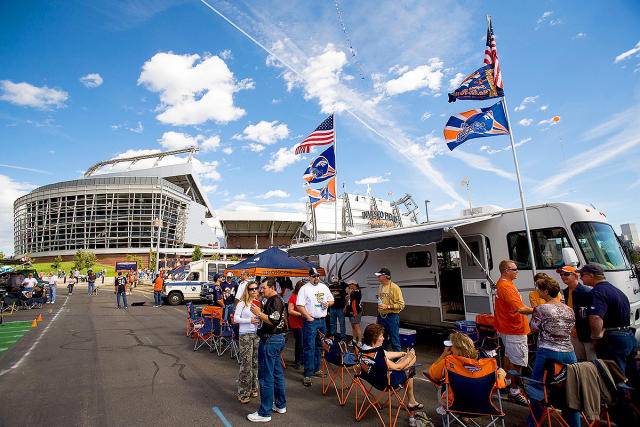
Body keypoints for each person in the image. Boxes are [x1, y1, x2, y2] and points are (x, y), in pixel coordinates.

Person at [526, 276, 579, 427]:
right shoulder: (569, 310)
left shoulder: (541, 309)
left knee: (538, 388)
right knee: (571, 390)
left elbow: (534, 329)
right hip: (568, 351)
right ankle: (574, 423)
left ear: (546, 291)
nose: (537, 291)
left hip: (547, 350)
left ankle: (534, 422)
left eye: (539, 289)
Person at [582, 264, 639, 390]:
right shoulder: (616, 290)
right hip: (628, 335)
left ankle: (622, 408)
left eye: (582, 275)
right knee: (632, 377)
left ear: (591, 275)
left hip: (613, 339)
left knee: (615, 379)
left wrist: (596, 335)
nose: (581, 279)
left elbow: (596, 317)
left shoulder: (597, 292)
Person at [428, 332, 505, 414]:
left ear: (459, 348)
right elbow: (501, 379)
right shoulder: (486, 365)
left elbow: (432, 375)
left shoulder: (448, 362)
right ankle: (464, 417)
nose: (449, 348)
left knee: (442, 385)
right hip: (482, 407)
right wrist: (500, 377)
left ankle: (458, 414)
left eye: (451, 346)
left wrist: (443, 355)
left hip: (454, 406)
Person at [247, 278, 287, 423]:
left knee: (265, 377)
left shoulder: (275, 300)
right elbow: (272, 315)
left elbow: (274, 320)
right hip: (276, 340)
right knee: (276, 374)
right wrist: (261, 306)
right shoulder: (274, 300)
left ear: (272, 287)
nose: (260, 290)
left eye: (263, 288)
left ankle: (264, 412)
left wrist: (258, 313)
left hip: (270, 340)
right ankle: (280, 405)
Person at [493, 259, 532, 405]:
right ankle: (514, 391)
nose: (517, 272)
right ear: (506, 271)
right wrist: (543, 309)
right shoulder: (506, 287)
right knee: (517, 361)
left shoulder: (503, 284)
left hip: (508, 328)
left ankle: (507, 382)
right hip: (514, 329)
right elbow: (520, 309)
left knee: (509, 357)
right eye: (514, 269)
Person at [361, 324, 423, 411]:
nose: (383, 338)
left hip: (371, 378)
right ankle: (412, 402)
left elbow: (386, 353)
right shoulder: (378, 355)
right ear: (374, 338)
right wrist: (410, 358)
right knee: (410, 369)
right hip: (385, 382)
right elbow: (397, 367)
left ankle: (412, 401)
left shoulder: (365, 349)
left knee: (406, 361)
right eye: (381, 336)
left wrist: (403, 354)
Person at [296, 268, 334, 387]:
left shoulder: (323, 287)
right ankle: (307, 374)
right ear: (309, 277)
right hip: (311, 321)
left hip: (322, 320)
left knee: (319, 346)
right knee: (309, 347)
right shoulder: (304, 288)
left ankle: (317, 369)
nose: (316, 278)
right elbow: (299, 305)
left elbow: (331, 300)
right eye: (314, 276)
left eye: (317, 276)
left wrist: (328, 303)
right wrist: (308, 317)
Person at [557, 265, 595, 361]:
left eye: (566, 274)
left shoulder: (586, 292)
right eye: (561, 275)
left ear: (575, 276)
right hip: (573, 333)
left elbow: (592, 314)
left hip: (586, 334)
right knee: (579, 362)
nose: (563, 277)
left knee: (592, 362)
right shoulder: (566, 291)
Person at [235, 280, 261, 404]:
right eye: (251, 289)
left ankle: (253, 388)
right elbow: (235, 318)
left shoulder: (259, 302)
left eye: (256, 288)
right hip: (245, 334)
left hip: (256, 334)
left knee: (255, 362)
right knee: (246, 364)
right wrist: (249, 320)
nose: (254, 291)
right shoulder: (242, 303)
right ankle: (243, 392)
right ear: (247, 290)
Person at [375, 267, 404, 352]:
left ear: (385, 276)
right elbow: (380, 303)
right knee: (381, 340)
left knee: (394, 341)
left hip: (392, 317)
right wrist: (378, 316)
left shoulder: (395, 287)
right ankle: (384, 360)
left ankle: (398, 362)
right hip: (381, 317)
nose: (378, 277)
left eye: (379, 276)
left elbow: (401, 305)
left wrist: (387, 307)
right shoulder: (380, 287)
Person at [287, 280, 306, 369]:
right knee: (300, 342)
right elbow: (290, 311)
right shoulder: (293, 297)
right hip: (296, 322)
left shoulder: (306, 296)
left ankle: (301, 360)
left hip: (304, 322)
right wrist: (302, 314)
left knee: (303, 342)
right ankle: (298, 361)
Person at [344, 279, 363, 346]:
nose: (348, 286)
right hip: (351, 311)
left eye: (350, 285)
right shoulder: (353, 291)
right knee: (353, 327)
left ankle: (360, 341)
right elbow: (348, 300)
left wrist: (348, 292)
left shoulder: (357, 291)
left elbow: (350, 298)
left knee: (357, 326)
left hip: (356, 311)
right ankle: (354, 340)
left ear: (353, 284)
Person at [328, 277, 347, 341]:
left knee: (342, 323)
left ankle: (343, 337)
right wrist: (328, 309)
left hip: (340, 308)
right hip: (332, 308)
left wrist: (342, 281)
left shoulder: (342, 287)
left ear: (338, 281)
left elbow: (347, 285)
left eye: (336, 282)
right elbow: (327, 297)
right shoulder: (330, 287)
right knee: (332, 323)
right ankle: (333, 336)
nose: (335, 283)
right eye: (334, 282)